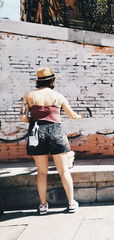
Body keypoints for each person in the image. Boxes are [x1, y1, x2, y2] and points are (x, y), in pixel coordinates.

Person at [19, 67, 82, 215]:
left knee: (41, 173)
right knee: (63, 170)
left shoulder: (29, 96)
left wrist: (35, 120)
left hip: (36, 133)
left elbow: (22, 117)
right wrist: (80, 116)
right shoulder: (58, 96)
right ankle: (71, 203)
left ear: (38, 81)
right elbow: (72, 115)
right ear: (52, 80)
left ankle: (43, 206)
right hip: (56, 132)